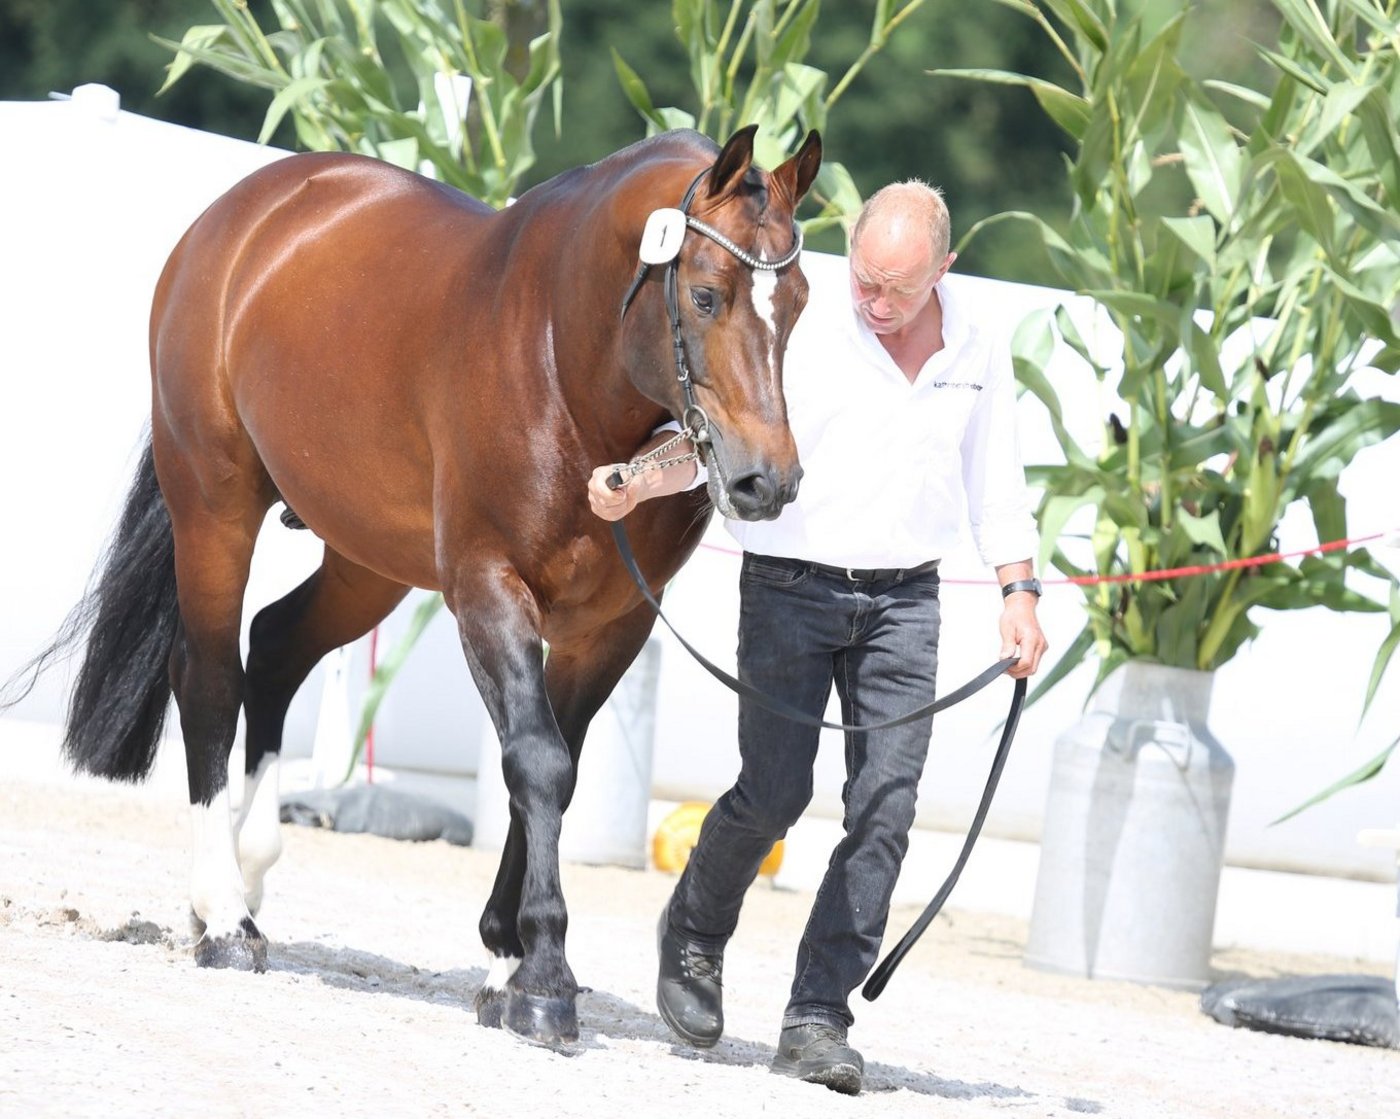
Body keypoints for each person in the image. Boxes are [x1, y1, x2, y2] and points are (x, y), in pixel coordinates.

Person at [587, 181, 1048, 1095]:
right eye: (867, 279)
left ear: (945, 270)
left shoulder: (977, 345)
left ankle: (818, 1016)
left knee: (886, 809)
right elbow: (716, 433)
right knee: (773, 794)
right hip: (789, 588)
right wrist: (638, 480)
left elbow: (996, 481)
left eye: (900, 289)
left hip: (905, 601)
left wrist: (1019, 593)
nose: (876, 301)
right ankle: (693, 932)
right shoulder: (798, 316)